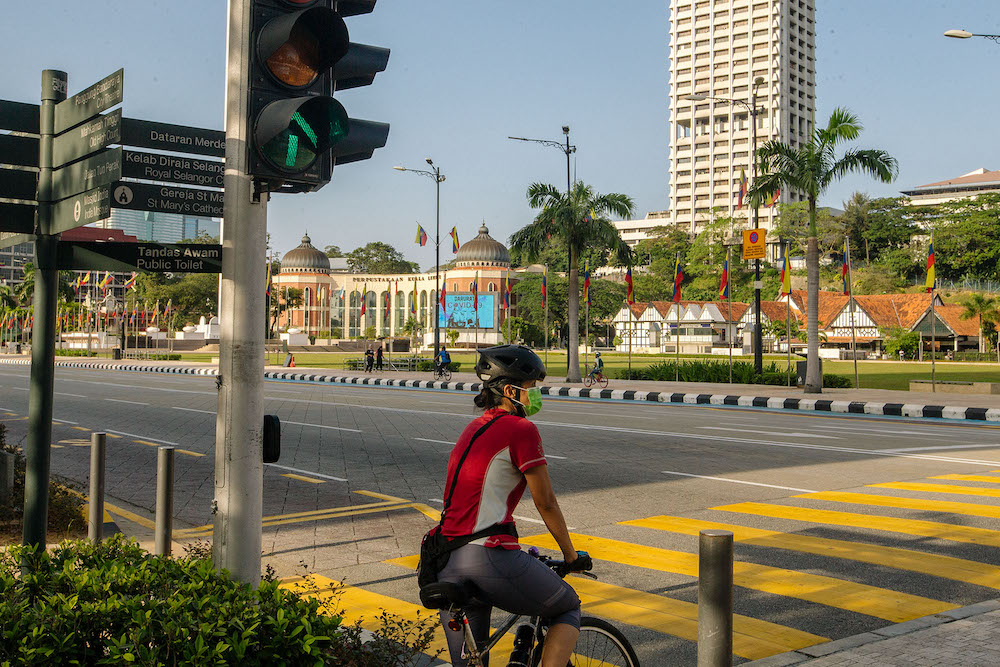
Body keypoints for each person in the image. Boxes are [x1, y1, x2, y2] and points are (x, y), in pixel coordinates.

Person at [432, 345, 589, 667]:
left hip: (447, 559)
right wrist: (571, 556)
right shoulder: (521, 429)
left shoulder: (474, 427)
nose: (536, 395)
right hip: (487, 558)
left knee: (473, 663)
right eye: (531, 389)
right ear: (509, 390)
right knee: (567, 605)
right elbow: (545, 502)